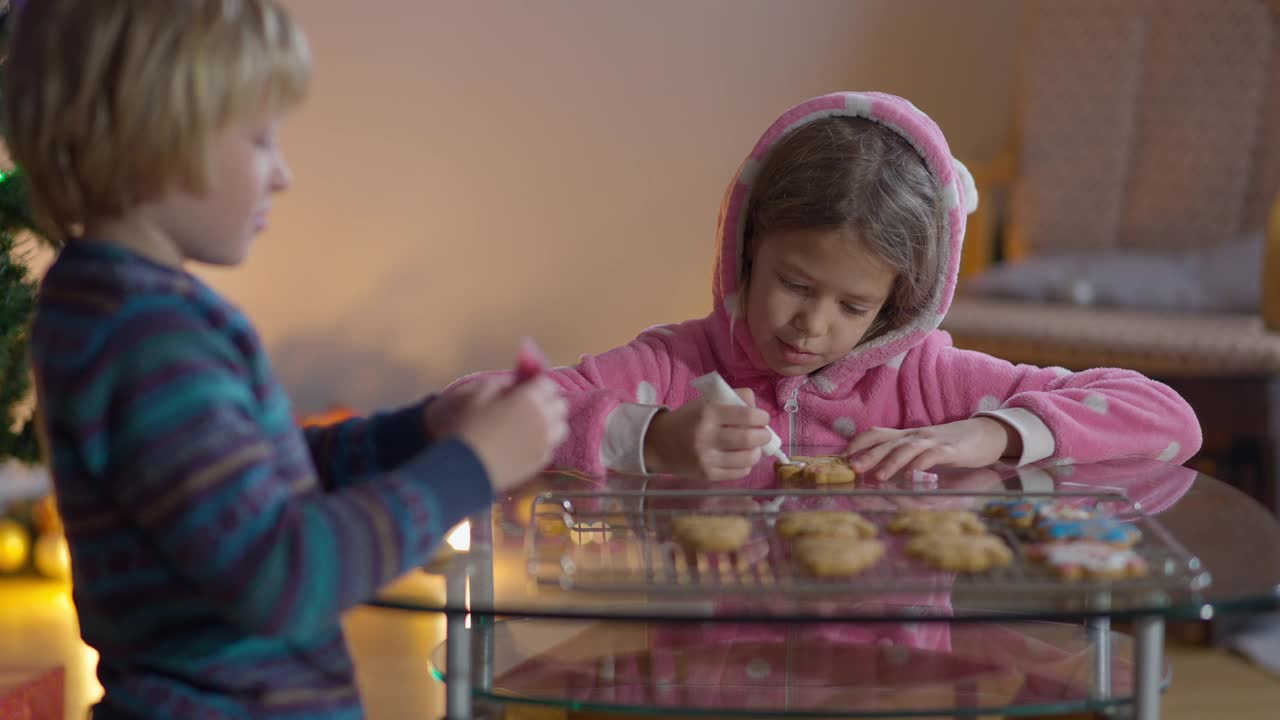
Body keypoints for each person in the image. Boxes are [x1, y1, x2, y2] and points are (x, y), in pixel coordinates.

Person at [6, 2, 567, 717]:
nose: (283, 174)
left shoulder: (107, 303)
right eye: (260, 139)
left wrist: (419, 433)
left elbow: (252, 485)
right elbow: (285, 575)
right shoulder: (150, 337)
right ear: (157, 138)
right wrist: (472, 468)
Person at [452, 91, 1201, 482]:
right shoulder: (674, 369)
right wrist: (649, 436)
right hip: (708, 685)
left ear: (900, 304)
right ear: (744, 251)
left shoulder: (932, 382)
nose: (812, 325)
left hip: (897, 691)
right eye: (794, 283)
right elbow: (466, 407)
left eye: (854, 306)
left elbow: (1168, 420)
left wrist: (988, 433)